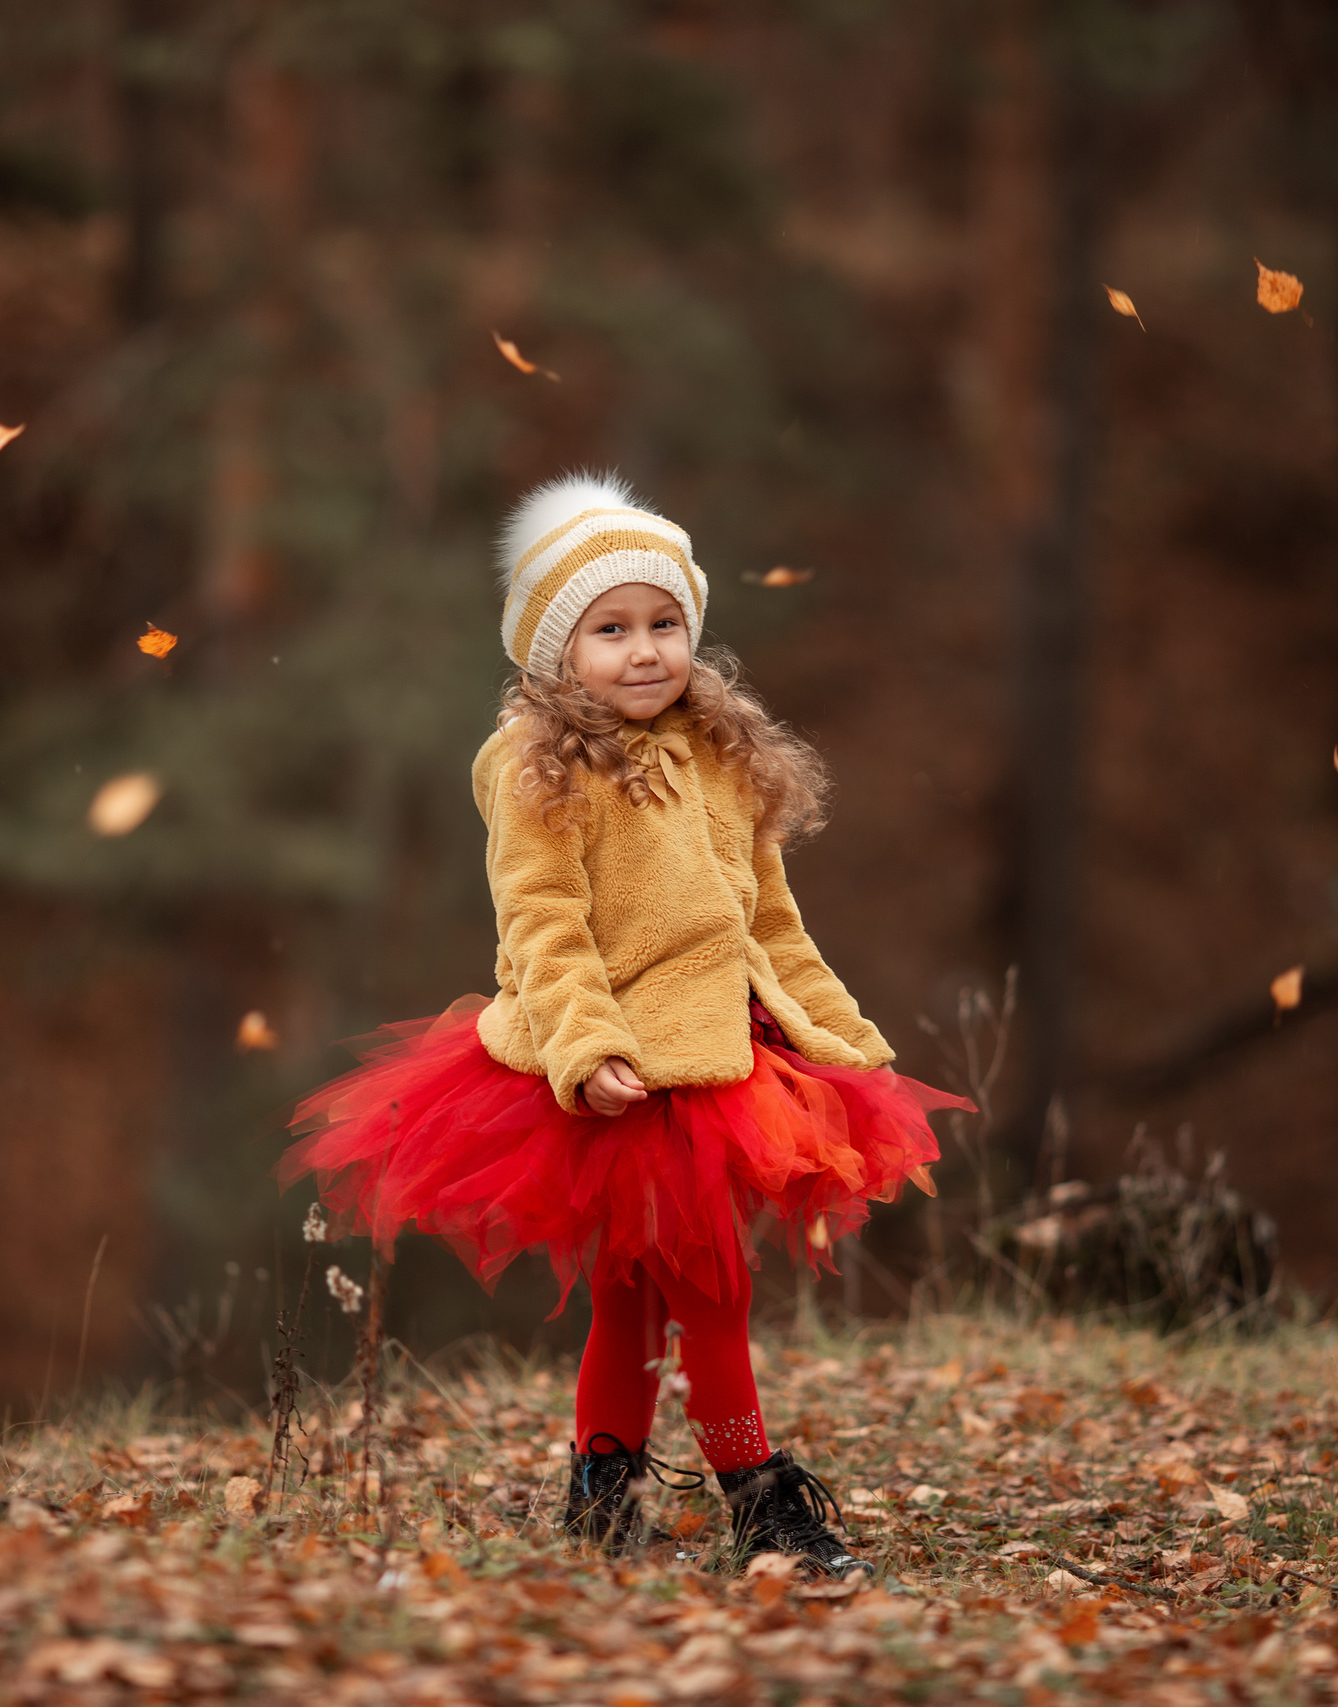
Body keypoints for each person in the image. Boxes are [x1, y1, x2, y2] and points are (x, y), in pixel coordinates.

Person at [280, 472, 968, 1575]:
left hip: (726, 1063)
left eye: (665, 626)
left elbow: (774, 927)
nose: (644, 651)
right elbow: (541, 925)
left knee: (642, 1298)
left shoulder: (718, 756)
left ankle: (601, 1495)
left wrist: (843, 1037)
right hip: (616, 1069)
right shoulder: (534, 768)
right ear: (558, 654)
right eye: (611, 630)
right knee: (709, 1293)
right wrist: (586, 1044)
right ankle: (759, 1501)